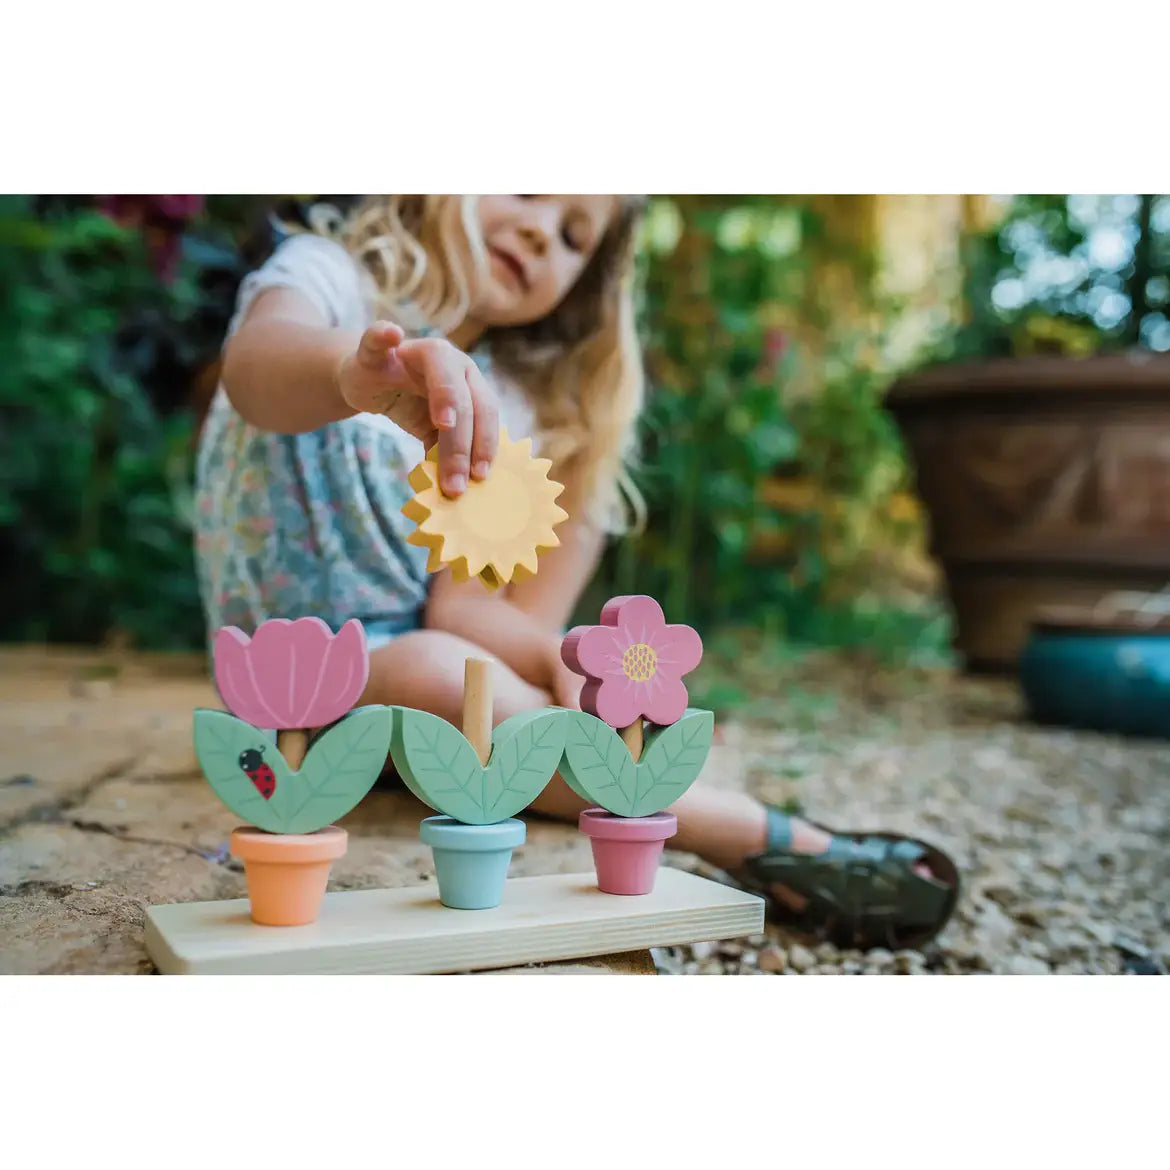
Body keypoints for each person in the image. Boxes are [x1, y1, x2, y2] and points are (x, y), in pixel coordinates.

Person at [195, 194, 958, 950]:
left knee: (467, 673)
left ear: (586, 285)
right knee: (440, 671)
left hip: (434, 693)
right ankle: (738, 828)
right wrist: (350, 375)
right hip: (284, 693)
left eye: (572, 235)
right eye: (526, 187)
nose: (538, 228)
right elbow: (255, 373)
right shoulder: (330, 278)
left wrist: (569, 669)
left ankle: (680, 795)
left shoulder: (531, 413)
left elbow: (462, 611)